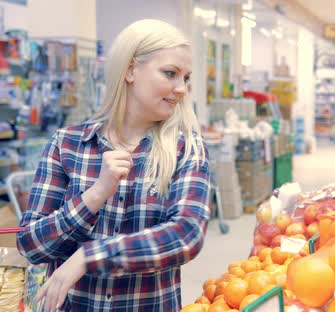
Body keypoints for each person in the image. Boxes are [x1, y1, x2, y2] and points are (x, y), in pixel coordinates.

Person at [16, 19, 210, 311]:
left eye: (185, 77)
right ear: (131, 69)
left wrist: (89, 257)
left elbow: (186, 235)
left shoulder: (186, 149)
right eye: (170, 73)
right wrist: (95, 194)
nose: (181, 88)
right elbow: (31, 245)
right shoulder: (67, 145)